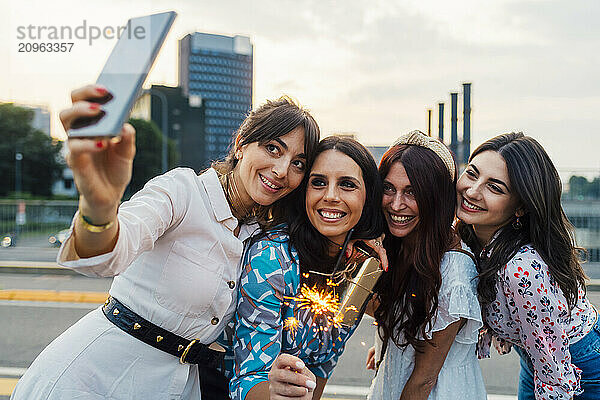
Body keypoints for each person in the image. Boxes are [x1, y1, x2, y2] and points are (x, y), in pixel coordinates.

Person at [11, 85, 320, 400]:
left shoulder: (263, 236)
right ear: (240, 143)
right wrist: (99, 207)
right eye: (272, 148)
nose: (282, 170)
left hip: (181, 385)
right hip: (95, 379)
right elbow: (107, 254)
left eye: (298, 163)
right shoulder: (182, 191)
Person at [229, 136, 386, 400]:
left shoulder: (363, 268)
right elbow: (246, 380)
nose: (331, 196)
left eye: (347, 185)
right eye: (319, 183)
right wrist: (276, 390)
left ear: (368, 197)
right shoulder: (271, 258)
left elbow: (324, 364)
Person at [456, 132, 599, 400]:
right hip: (539, 357)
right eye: (472, 174)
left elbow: (555, 380)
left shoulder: (521, 270)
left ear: (520, 207)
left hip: (580, 366)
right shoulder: (469, 234)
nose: (472, 191)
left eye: (495, 187)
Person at [366, 131, 486, 400]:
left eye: (412, 192)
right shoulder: (398, 244)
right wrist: (393, 340)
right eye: (388, 188)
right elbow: (396, 310)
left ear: (436, 198)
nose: (397, 204)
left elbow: (423, 381)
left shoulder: (453, 270)